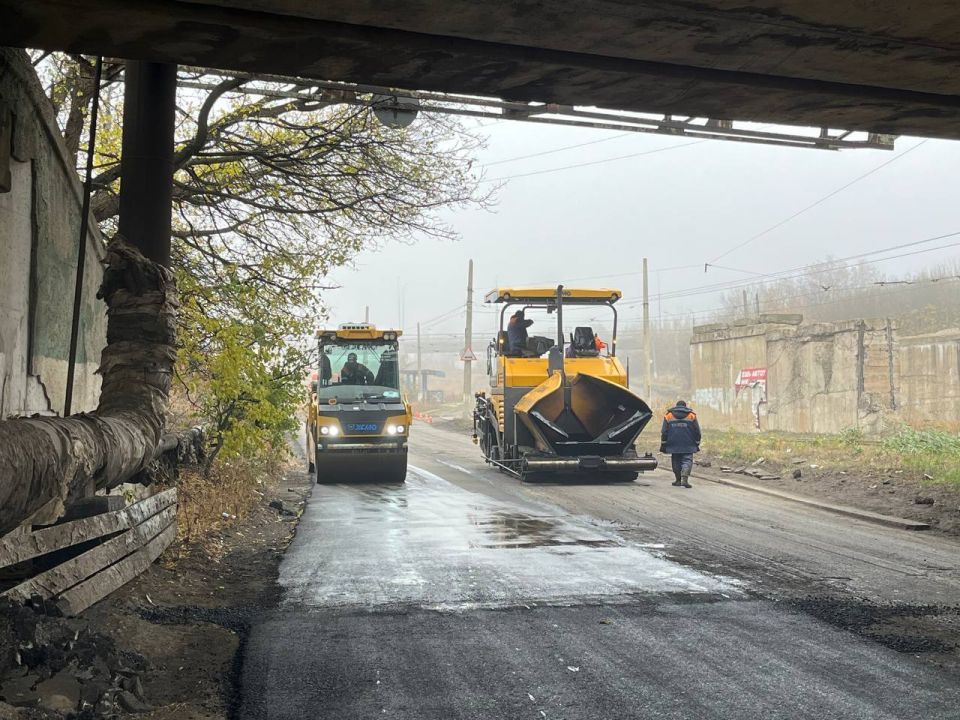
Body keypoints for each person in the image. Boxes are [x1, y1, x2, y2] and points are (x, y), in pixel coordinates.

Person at [660, 400, 701, 488]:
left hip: (673, 443)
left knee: (676, 460)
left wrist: (664, 444)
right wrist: (697, 443)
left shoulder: (669, 415)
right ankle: (684, 479)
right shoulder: (691, 415)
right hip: (688, 444)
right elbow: (697, 431)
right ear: (685, 407)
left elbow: (664, 431)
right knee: (687, 460)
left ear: (676, 406)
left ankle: (678, 480)